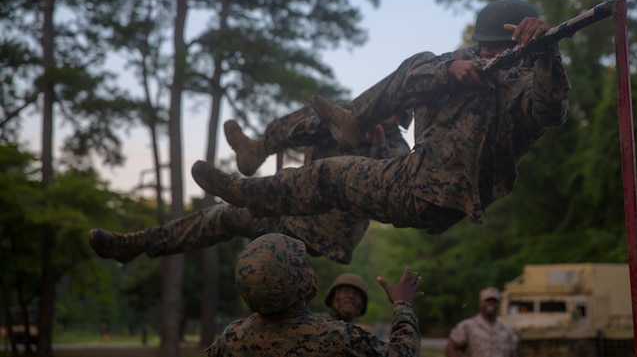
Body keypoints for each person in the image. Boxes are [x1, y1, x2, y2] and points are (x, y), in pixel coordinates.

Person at [191, 0, 571, 233]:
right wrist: (445, 73)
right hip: (409, 166)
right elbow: (413, 81)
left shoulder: (524, 87)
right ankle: (263, 146)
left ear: (517, 50)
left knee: (328, 176)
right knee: (337, 130)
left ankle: (243, 193)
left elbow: (549, 110)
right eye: (483, 50)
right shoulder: (457, 70)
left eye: (496, 51)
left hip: (435, 191)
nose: (485, 58)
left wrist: (546, 53)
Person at [88, 109, 410, 265]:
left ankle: (141, 243)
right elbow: (301, 134)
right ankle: (138, 243)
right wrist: (322, 125)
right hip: (294, 210)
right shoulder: (349, 122)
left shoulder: (396, 150)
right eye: (383, 108)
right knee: (222, 217)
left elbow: (388, 196)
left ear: (400, 119)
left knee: (229, 220)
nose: (385, 117)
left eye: (393, 113)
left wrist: (379, 145)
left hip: (326, 230)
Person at [205, 233, 423, 357]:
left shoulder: (231, 338)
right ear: (299, 279)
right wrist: (403, 304)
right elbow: (402, 353)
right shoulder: (338, 338)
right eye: (304, 264)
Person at [445, 287, 518, 357]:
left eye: (494, 302)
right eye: (487, 301)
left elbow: (512, 354)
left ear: (498, 305)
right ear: (480, 304)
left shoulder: (506, 331)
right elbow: (450, 348)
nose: (491, 304)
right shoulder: (467, 326)